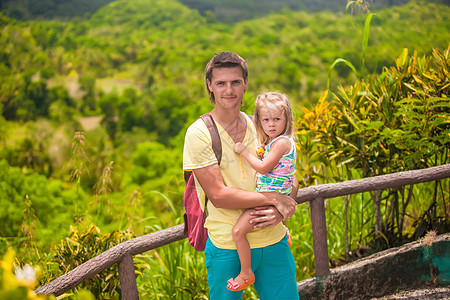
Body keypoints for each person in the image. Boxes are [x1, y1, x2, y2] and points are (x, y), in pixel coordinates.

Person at [183, 51, 299, 299]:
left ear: (245, 83)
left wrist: (280, 209)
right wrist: (275, 198)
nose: (229, 90)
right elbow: (219, 196)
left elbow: (290, 179)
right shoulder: (200, 133)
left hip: (273, 239)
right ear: (209, 86)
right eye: (221, 83)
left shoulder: (263, 126)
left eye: (235, 82)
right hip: (228, 244)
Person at [228, 91, 297, 292]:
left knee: (238, 231)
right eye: (266, 119)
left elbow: (263, 167)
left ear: (287, 119)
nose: (271, 124)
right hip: (273, 196)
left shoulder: (282, 142)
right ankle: (284, 231)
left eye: (277, 119)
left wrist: (244, 151)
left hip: (267, 199)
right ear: (259, 120)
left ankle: (246, 273)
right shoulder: (273, 141)